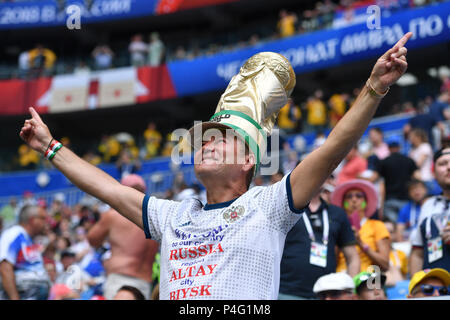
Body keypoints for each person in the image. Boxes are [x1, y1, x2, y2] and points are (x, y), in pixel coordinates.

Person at [19, 34, 412, 300]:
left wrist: (374, 88)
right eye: (202, 138)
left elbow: (333, 147)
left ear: (247, 160)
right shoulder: (173, 214)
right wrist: (50, 146)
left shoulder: (270, 206)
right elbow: (106, 187)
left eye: (219, 138)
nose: (204, 143)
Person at [279, 180, 360, 299]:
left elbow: (353, 257)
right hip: (287, 292)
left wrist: (349, 290)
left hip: (328, 294)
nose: (319, 174)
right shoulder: (286, 208)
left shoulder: (337, 213)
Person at [87, 174, 159, 300]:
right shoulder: (155, 217)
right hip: (145, 283)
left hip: (120, 280)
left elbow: (92, 239)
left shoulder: (113, 215)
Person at [332, 179, 391, 273]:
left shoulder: (377, 225)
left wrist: (360, 243)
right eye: (349, 196)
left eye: (359, 196)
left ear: (366, 203)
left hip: (369, 279)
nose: (354, 200)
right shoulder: (337, 227)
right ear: (343, 204)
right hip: (342, 278)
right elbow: (330, 262)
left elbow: (385, 264)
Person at [409, 147, 450, 275]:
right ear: (433, 172)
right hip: (434, 290)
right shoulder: (428, 205)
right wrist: (414, 289)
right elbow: (418, 253)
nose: (449, 167)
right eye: (443, 164)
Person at [0, 205, 51, 300]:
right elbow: (5, 268)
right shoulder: (14, 234)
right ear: (32, 220)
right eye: (43, 219)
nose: (46, 222)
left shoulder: (29, 239)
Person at [373, 139, 418, 222]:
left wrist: (381, 206)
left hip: (390, 200)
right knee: (405, 228)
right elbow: (417, 179)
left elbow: (380, 184)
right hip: (406, 199)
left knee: (392, 229)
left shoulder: (383, 162)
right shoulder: (408, 160)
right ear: (399, 147)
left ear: (388, 148)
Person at [383, 220, 408, 288]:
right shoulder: (373, 255)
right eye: (384, 231)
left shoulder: (401, 254)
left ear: (395, 234)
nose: (387, 234)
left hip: (400, 291)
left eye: (390, 232)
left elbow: (404, 277)